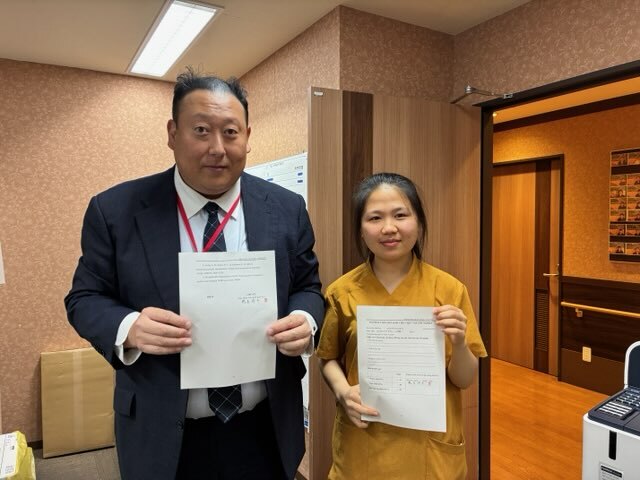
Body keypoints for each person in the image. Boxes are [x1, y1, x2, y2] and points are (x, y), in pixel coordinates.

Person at [64, 69, 324, 480]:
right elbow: (84, 298)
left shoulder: (286, 207)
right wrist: (129, 327)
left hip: (266, 427)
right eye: (201, 130)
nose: (217, 148)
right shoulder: (116, 211)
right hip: (164, 434)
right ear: (173, 133)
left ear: (247, 136)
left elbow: (308, 286)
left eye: (231, 132)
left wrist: (305, 320)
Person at [316, 172, 487, 480]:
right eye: (375, 218)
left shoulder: (449, 289)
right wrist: (343, 392)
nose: (389, 228)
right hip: (363, 445)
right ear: (361, 230)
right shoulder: (342, 291)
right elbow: (327, 358)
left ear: (418, 223)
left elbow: (464, 379)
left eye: (400, 215)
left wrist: (460, 342)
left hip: (429, 452)